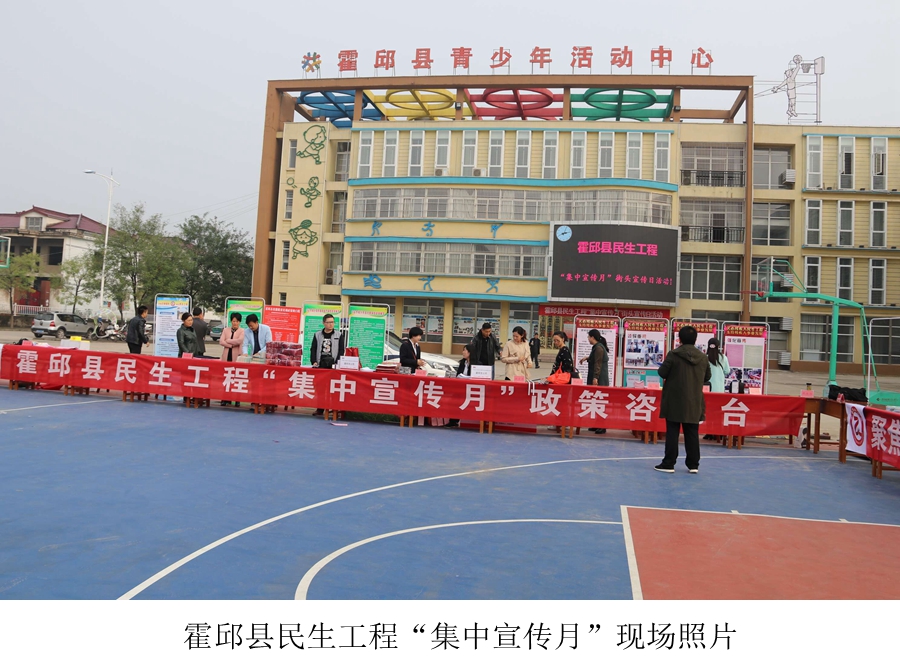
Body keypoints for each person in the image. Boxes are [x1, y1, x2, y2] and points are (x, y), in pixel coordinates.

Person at [655, 325, 711, 475]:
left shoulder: (673, 355)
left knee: (672, 432)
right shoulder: (703, 357)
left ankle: (669, 463)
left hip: (674, 399)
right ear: (695, 339)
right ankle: (693, 464)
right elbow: (707, 376)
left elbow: (662, 372)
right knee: (692, 432)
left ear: (679, 339)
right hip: (694, 400)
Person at [579, 329, 609, 434]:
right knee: (595, 401)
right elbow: (595, 359)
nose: (588, 339)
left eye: (588, 337)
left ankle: (602, 426)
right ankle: (597, 424)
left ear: (592, 337)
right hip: (598, 378)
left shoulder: (599, 348)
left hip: (600, 379)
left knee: (599, 401)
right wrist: (587, 358)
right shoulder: (597, 347)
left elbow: (598, 364)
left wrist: (595, 378)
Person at [703, 337, 731, 440]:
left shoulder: (705, 358)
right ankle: (718, 433)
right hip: (719, 389)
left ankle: (709, 432)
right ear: (719, 346)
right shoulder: (723, 358)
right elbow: (727, 371)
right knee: (718, 412)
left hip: (708, 388)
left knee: (709, 412)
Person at [219, 312, 245, 407]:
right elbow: (221, 341)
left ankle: (237, 399)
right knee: (226, 378)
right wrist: (231, 345)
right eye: (233, 321)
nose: (235, 323)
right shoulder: (226, 330)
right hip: (226, 357)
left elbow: (240, 340)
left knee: (236, 379)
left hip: (236, 357)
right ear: (231, 321)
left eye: (237, 321)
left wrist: (228, 341)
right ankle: (225, 398)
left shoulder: (242, 331)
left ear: (239, 322)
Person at [445, 345, 472, 428]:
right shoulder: (462, 363)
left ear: (470, 352)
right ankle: (453, 421)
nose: (463, 352)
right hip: (461, 387)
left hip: (471, 388)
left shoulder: (477, 363)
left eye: (465, 350)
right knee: (452, 400)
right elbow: (458, 375)